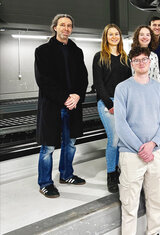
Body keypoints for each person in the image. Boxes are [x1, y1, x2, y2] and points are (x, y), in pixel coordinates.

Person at [114, 47, 160, 235]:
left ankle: (154, 232)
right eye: (136, 60)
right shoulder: (122, 88)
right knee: (129, 203)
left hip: (156, 152)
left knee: (156, 199)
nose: (141, 63)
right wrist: (141, 148)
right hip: (131, 154)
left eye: (144, 59)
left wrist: (153, 144)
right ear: (132, 64)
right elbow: (121, 124)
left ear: (150, 62)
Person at [34, 14, 88, 198]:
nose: (66, 28)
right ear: (55, 27)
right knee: (48, 147)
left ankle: (66, 175)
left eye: (69, 25)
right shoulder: (42, 51)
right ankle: (45, 183)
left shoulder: (77, 51)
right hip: (53, 106)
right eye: (62, 25)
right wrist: (66, 98)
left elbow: (83, 77)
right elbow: (43, 80)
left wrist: (78, 95)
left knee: (70, 143)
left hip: (72, 106)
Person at [92, 24, 132, 193]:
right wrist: (110, 105)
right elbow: (98, 84)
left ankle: (120, 169)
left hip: (124, 103)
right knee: (114, 139)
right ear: (106, 37)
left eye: (116, 34)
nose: (114, 37)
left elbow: (130, 82)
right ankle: (111, 175)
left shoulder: (125, 57)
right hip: (107, 102)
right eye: (111, 34)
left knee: (123, 140)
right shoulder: (100, 56)